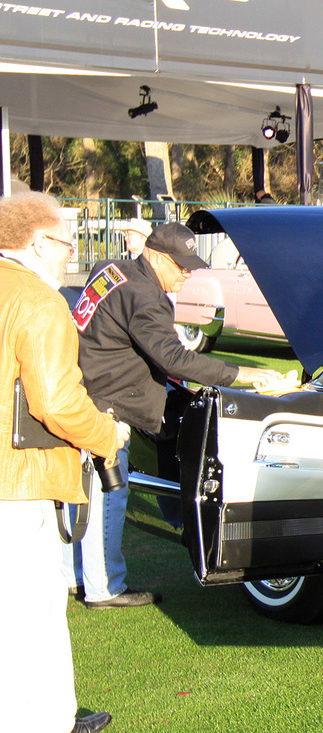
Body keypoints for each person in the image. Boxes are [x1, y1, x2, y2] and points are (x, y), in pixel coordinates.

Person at [71, 223, 282, 608]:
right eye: (180, 266)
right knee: (109, 493)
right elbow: (174, 358)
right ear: (153, 257)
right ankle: (103, 587)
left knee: (81, 492)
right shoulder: (145, 295)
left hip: (83, 385)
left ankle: (75, 574)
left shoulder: (111, 268)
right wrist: (243, 374)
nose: (188, 273)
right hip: (104, 402)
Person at [1, 190, 122, 733]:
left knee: (42, 601)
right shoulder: (37, 299)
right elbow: (56, 401)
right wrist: (107, 435)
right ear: (37, 242)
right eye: (66, 241)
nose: (70, 253)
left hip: (14, 473)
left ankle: (46, 721)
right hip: (15, 478)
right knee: (17, 614)